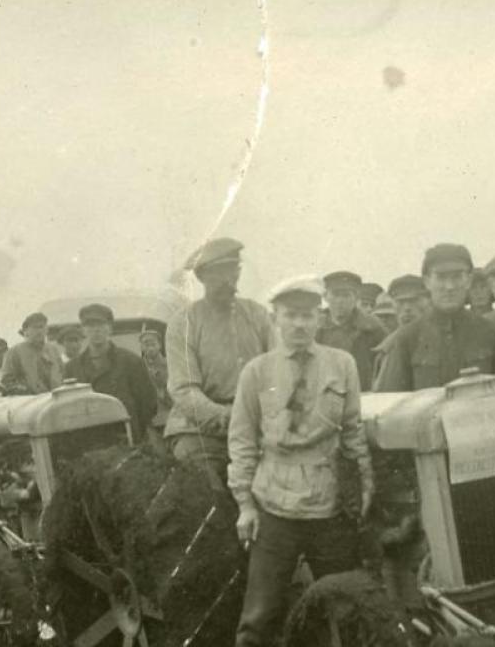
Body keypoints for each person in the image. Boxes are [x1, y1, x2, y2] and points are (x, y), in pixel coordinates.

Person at [227, 276, 374, 647]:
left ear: (319, 319)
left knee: (346, 609)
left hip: (329, 505)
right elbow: (242, 441)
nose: (299, 324)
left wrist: (365, 486)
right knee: (258, 617)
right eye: (290, 315)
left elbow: (354, 430)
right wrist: (245, 505)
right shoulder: (256, 372)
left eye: (307, 315)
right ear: (275, 317)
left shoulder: (343, 365)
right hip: (274, 506)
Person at [166, 238, 276, 490]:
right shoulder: (184, 323)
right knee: (205, 486)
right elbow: (184, 391)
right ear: (202, 277)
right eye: (218, 273)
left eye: (232, 271)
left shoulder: (258, 315)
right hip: (201, 432)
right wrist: (229, 419)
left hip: (256, 423)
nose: (228, 280)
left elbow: (279, 373)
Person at [375, 243, 495, 392]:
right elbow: (393, 403)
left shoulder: (492, 334)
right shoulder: (407, 338)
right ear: (427, 281)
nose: (449, 286)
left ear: (468, 280)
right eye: (441, 278)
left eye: (457, 277)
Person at [63, 304, 159, 431]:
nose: (96, 330)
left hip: (126, 439)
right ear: (83, 331)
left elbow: (149, 403)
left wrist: (134, 430)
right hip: (89, 441)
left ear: (110, 328)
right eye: (90, 326)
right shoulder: (72, 368)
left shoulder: (131, 361)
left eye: (101, 325)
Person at [317, 271, 391, 382]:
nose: (340, 301)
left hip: (363, 392)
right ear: (326, 297)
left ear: (356, 298)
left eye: (346, 295)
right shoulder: (315, 327)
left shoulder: (372, 327)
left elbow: (386, 364)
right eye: (335, 294)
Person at [0, 313, 65, 395]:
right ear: (26, 331)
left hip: (56, 398)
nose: (39, 331)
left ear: (46, 330)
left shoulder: (53, 350)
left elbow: (62, 373)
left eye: (42, 327)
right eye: (35, 327)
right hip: (31, 401)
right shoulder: (15, 352)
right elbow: (7, 381)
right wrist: (24, 390)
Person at [140, 331, 173, 417]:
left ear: (160, 346)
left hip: (169, 409)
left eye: (153, 344)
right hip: (148, 412)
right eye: (146, 345)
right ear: (142, 347)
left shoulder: (170, 364)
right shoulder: (138, 366)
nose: (150, 348)